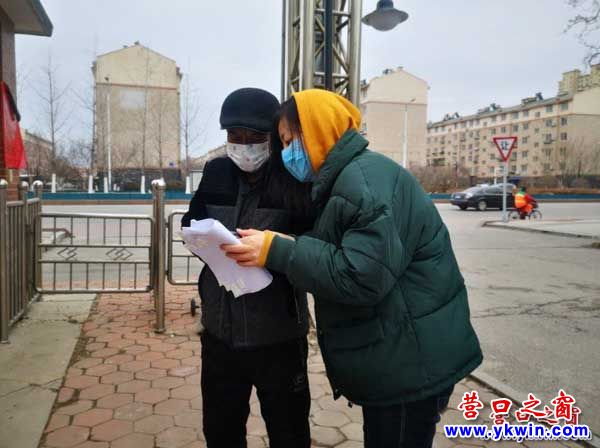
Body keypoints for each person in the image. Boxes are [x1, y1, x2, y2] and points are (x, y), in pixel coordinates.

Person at [223, 89, 483, 448]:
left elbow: (361, 276)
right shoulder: (347, 178)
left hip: (411, 364)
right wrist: (288, 242)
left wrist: (277, 250)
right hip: (402, 354)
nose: (286, 153)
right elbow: (342, 249)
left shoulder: (364, 183)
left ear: (318, 130)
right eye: (282, 144)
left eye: (290, 141)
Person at [181, 88, 314, 448]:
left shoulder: (293, 177)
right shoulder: (216, 172)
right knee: (221, 432)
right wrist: (201, 239)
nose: (243, 146)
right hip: (220, 333)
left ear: (272, 137)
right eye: (234, 136)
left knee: (289, 433)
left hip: (278, 334)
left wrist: (272, 249)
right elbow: (192, 220)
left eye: (253, 138)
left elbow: (312, 245)